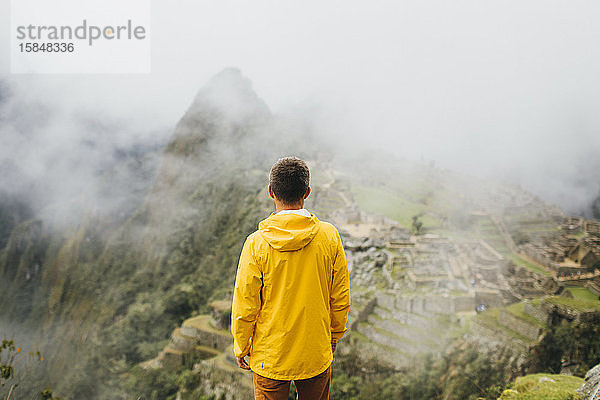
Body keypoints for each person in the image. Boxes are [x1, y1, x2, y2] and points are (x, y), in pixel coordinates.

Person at [231, 157, 351, 400]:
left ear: (271, 192)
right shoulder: (328, 236)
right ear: (307, 192)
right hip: (315, 349)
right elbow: (340, 296)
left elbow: (246, 302)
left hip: (270, 355)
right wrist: (334, 335)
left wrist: (241, 345)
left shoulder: (256, 243)